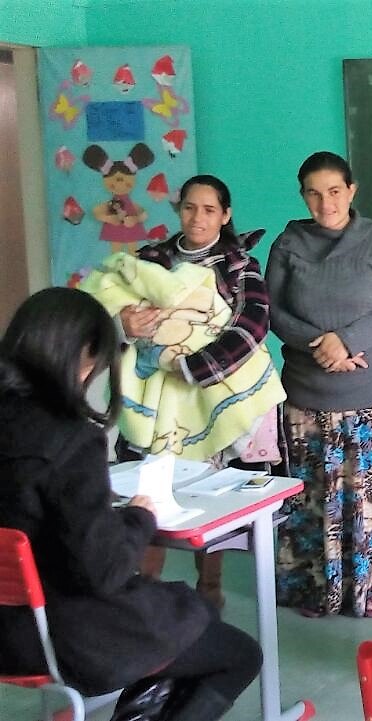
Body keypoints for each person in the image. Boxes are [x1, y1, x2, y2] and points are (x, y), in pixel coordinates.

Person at [0, 287, 261, 721]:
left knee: (178, 627)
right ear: (82, 356)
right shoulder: (69, 439)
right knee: (238, 653)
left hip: (10, 629)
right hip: (63, 633)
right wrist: (140, 517)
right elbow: (103, 571)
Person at [115, 174, 282, 609]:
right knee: (148, 486)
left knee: (209, 496)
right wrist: (123, 325)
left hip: (209, 395)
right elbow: (112, 311)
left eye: (210, 210)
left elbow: (253, 324)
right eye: (190, 207)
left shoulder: (239, 265)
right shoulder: (149, 260)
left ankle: (209, 595)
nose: (198, 218)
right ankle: (141, 593)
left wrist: (194, 367)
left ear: (225, 216)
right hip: (155, 400)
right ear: (178, 209)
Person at [269, 151, 372, 618]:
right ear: (302, 196)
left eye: (334, 191)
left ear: (351, 191)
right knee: (312, 500)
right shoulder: (289, 242)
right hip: (306, 399)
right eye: (313, 192)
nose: (325, 202)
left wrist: (346, 340)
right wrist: (321, 345)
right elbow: (270, 309)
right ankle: (314, 585)